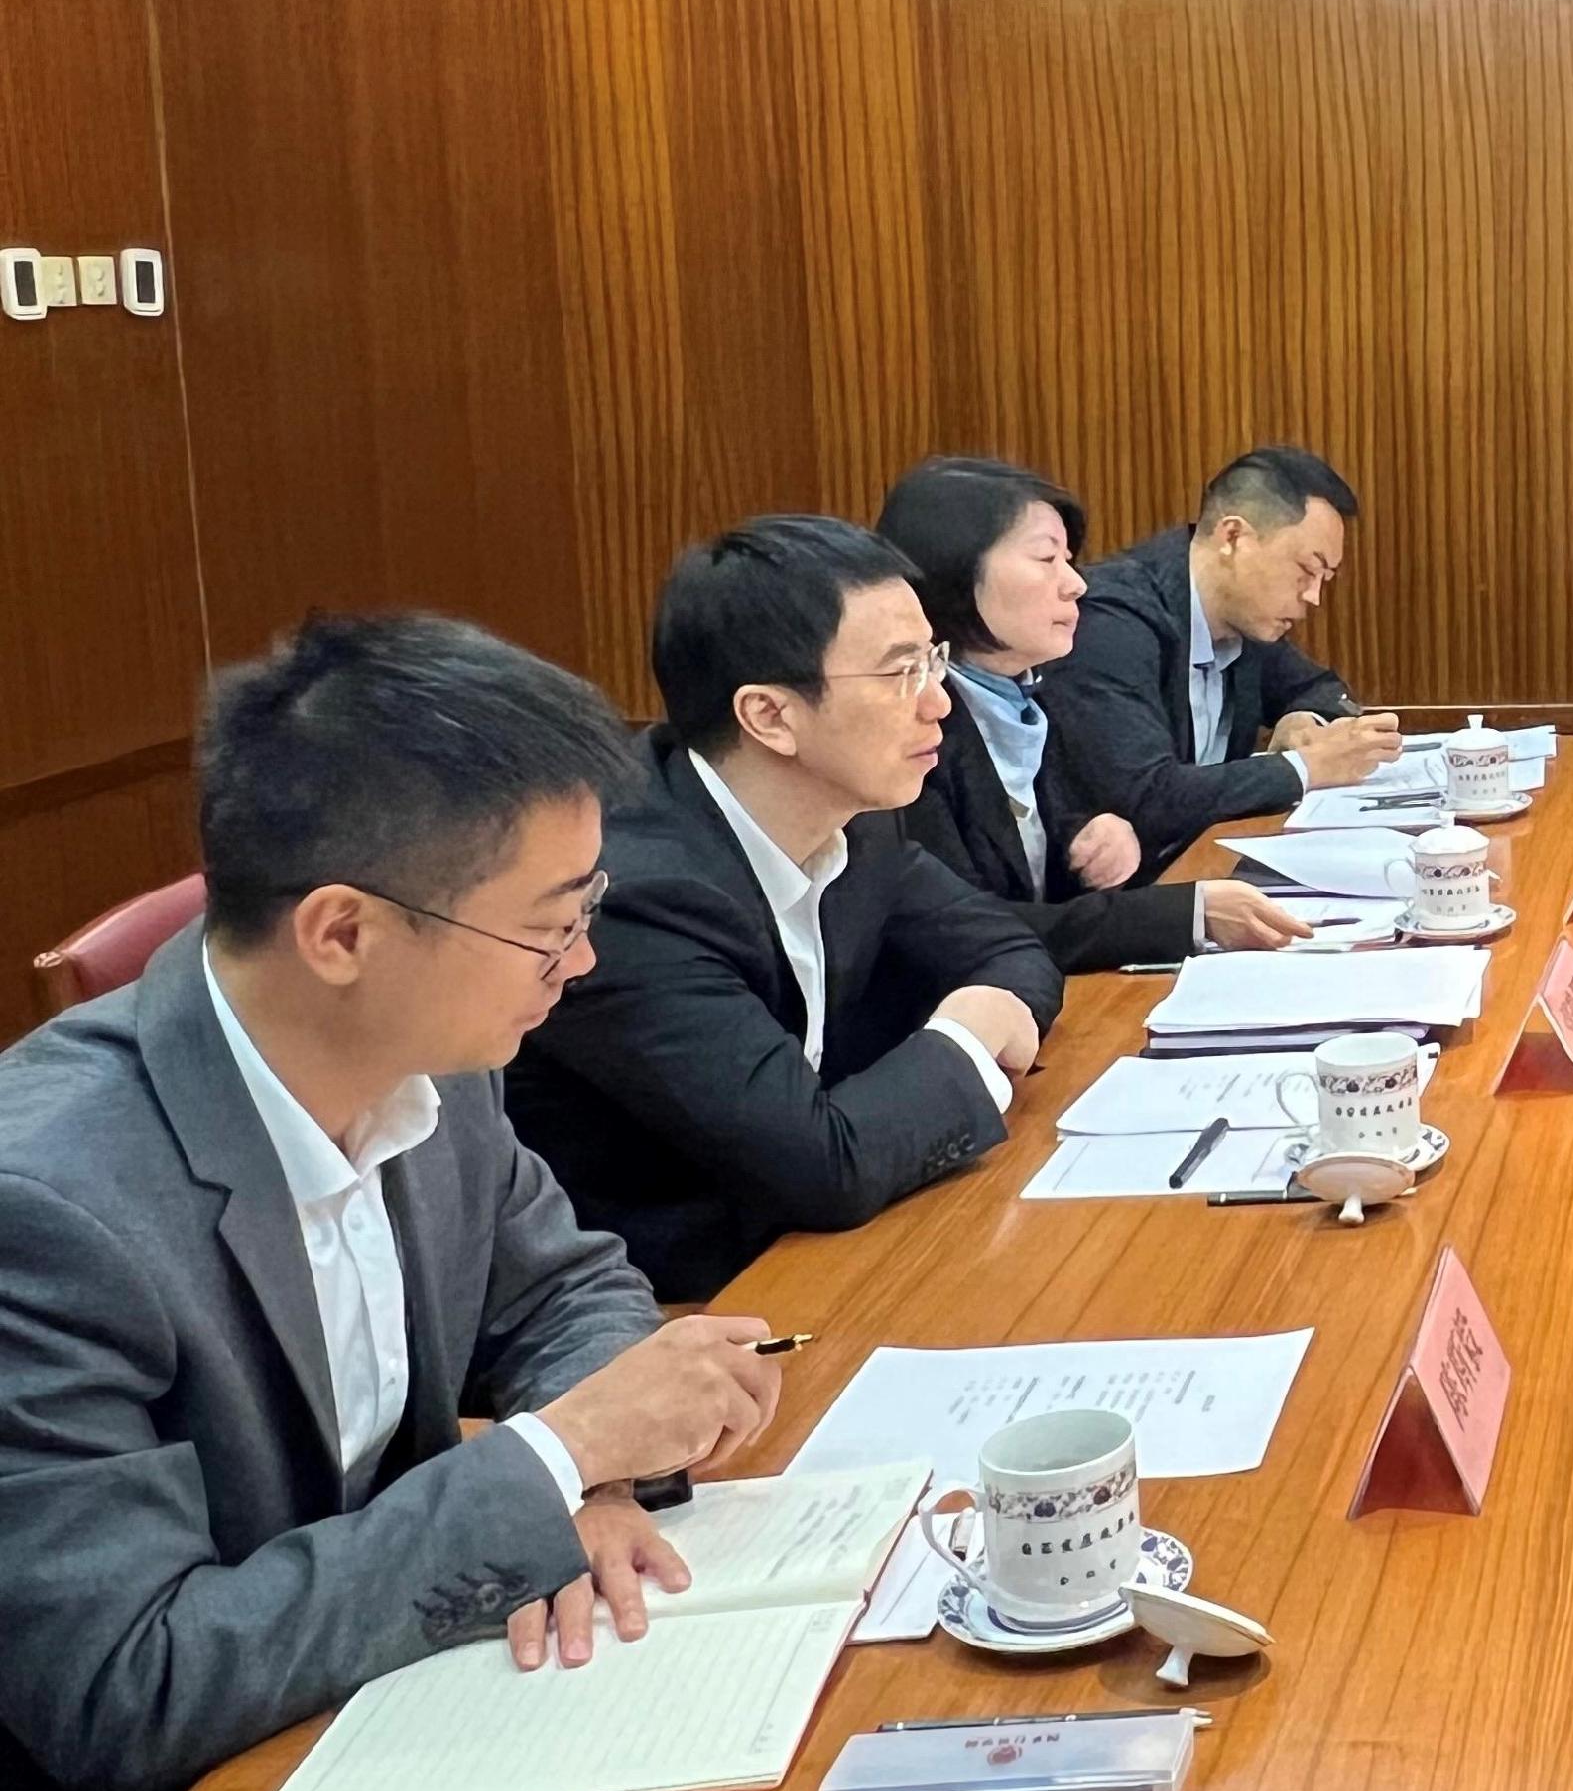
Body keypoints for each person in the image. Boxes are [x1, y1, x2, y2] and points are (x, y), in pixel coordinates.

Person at [0, 617, 787, 1791]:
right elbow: (123, 1683)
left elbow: (560, 1285)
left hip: (382, 1723)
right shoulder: (50, 1208)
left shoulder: (435, 1066)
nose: (580, 964)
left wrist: (579, 1470)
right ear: (342, 932)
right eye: (549, 928)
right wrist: (538, 1471)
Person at [506, 517, 1065, 1302]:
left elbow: (1010, 951)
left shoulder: (854, 815)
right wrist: (970, 1036)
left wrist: (986, 1012)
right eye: (902, 671)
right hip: (676, 1306)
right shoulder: (633, 894)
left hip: (825, 1252)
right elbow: (824, 1167)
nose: (940, 701)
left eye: (933, 659)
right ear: (769, 715)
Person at [875, 456, 1316, 970]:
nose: (1076, 583)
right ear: (954, 569)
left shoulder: (1024, 697)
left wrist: (1084, 835)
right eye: (1046, 560)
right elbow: (966, 928)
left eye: (1069, 559)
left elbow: (1023, 851)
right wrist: (1186, 912)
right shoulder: (913, 730)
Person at [1036, 446, 1404, 867]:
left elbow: (1319, 688)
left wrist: (1304, 720)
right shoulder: (1112, 623)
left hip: (1209, 870)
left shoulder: (1244, 624)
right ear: (1233, 537)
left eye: (1324, 579)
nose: (1313, 597)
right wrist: (1303, 768)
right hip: (1127, 898)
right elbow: (1145, 797)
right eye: (1307, 569)